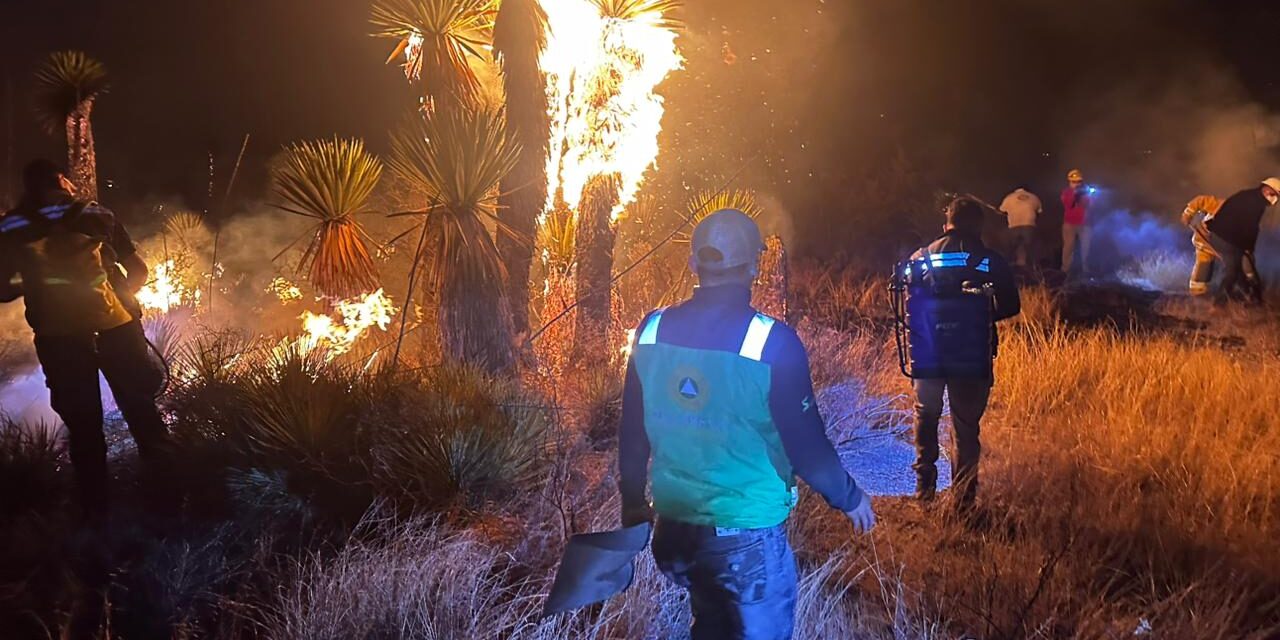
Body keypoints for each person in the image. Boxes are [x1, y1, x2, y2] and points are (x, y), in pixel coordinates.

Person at [618, 209, 875, 640]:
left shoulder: (651, 330)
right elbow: (805, 445)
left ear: (693, 263)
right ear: (755, 267)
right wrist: (848, 497)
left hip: (675, 531)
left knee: (710, 626)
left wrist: (631, 504)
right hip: (744, 539)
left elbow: (632, 430)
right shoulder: (772, 341)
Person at [0, 159, 170, 516]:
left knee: (85, 430)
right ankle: (169, 502)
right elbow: (138, 270)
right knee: (142, 414)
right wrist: (123, 296)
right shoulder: (97, 214)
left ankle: (96, 516)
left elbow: (3, 290)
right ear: (62, 181)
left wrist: (34, 282)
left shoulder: (12, 225)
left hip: (59, 339)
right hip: (116, 328)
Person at [908, 197, 1020, 510]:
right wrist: (976, 315)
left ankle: (924, 488)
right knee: (966, 427)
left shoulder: (921, 257)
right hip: (971, 356)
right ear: (978, 226)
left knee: (926, 414)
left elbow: (911, 303)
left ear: (947, 224)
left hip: (928, 353)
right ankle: (964, 499)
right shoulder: (989, 260)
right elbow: (1011, 305)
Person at [1204, 178, 1279, 306]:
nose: (1275, 199)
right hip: (1225, 238)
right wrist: (1249, 248)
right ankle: (1217, 305)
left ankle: (1252, 298)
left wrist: (1247, 247)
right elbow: (1250, 227)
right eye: (1274, 194)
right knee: (1232, 271)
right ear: (1266, 189)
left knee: (1239, 269)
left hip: (1224, 236)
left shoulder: (1250, 196)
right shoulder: (1255, 202)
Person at [1181, 194, 1223, 297]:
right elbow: (1200, 200)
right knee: (1203, 267)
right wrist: (1188, 214)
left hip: (1220, 245)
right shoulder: (1221, 205)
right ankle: (1197, 293)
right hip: (1203, 240)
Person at [998, 185, 1042, 268]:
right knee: (1030, 250)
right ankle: (1034, 269)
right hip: (1029, 225)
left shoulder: (1009, 197)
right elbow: (1039, 211)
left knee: (1011, 249)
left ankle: (1009, 268)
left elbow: (1002, 210)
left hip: (1014, 226)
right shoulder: (1033, 197)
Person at [1060, 169, 1092, 275]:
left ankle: (1085, 268)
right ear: (1069, 182)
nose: (1076, 184)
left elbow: (1091, 206)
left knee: (1086, 247)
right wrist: (1074, 194)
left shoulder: (1087, 191)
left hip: (1085, 224)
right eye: (1074, 182)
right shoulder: (1066, 192)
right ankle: (1065, 269)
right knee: (1069, 246)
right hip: (1070, 223)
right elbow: (1068, 204)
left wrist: (1085, 194)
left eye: (1079, 181)